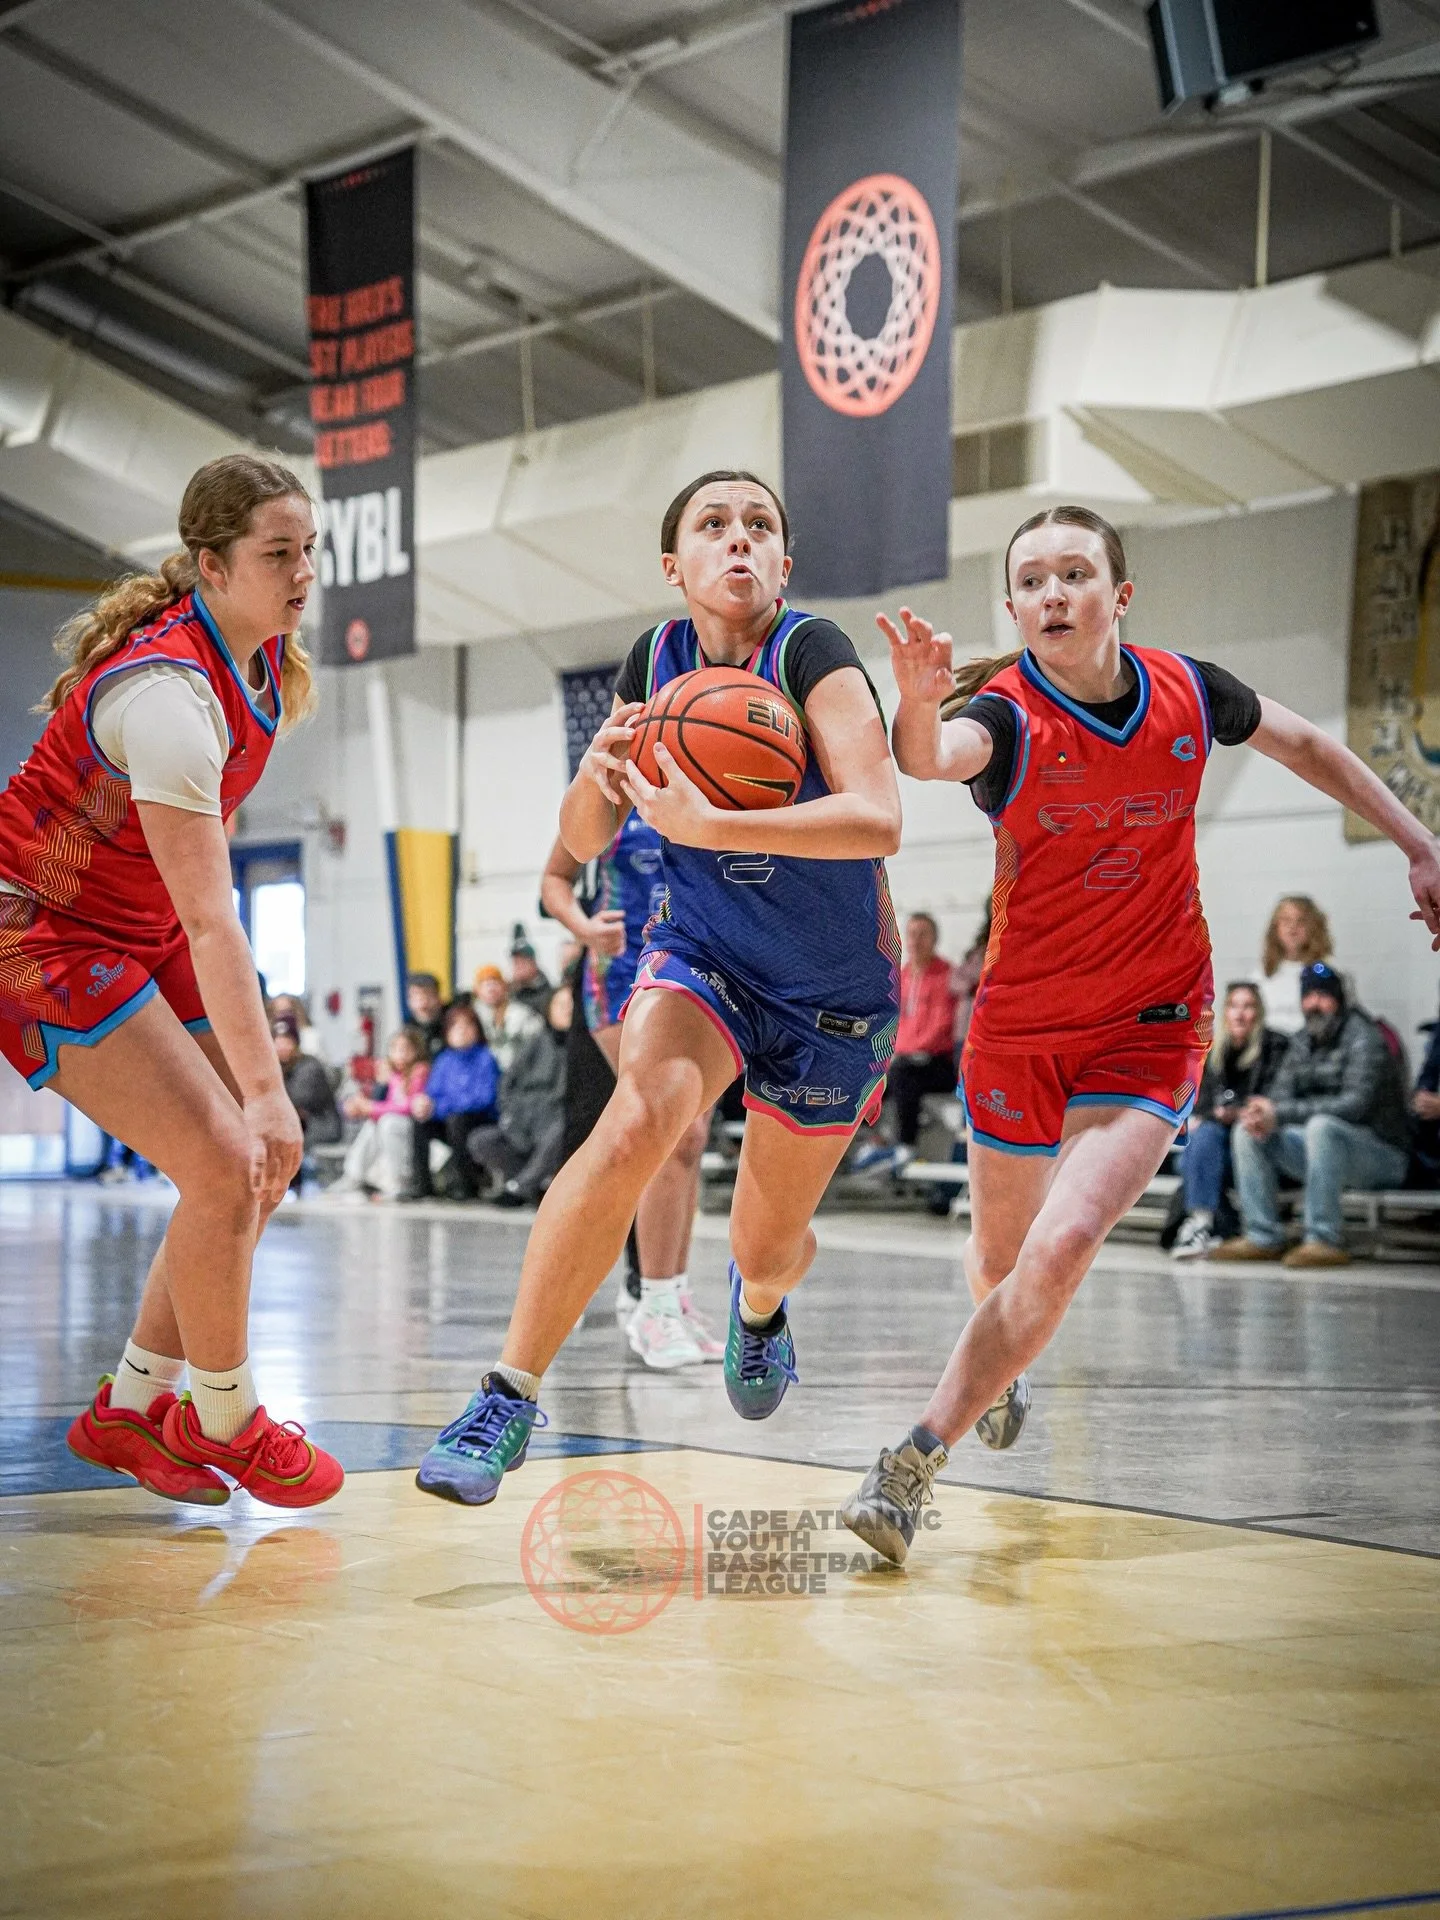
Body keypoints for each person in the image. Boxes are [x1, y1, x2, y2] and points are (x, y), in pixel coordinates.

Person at [837, 502, 1440, 1567]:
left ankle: (911, 1460)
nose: (1052, 594)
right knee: (1001, 1261)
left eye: (1074, 574)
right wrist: (918, 708)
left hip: (1152, 1022)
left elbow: (1310, 746)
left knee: (1064, 1245)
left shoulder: (1190, 692)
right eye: (1032, 581)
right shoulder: (1007, 719)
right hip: (1023, 1024)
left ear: (1118, 596)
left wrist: (1419, 843)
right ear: (1014, 607)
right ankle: (1000, 1365)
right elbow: (932, 758)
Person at [416, 466, 903, 1503]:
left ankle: (758, 1306)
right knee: (638, 1120)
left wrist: (712, 823)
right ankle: (507, 1394)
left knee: (769, 1246)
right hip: (704, 954)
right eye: (713, 525)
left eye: (759, 524)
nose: (739, 538)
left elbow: (880, 818)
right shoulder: (653, 661)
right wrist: (597, 773)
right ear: (675, 566)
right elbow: (584, 839)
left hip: (832, 987)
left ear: (784, 563)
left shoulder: (814, 653)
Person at [0, 453, 343, 1507]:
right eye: (277, 554)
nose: (302, 573)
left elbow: (190, 900)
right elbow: (213, 917)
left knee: (246, 1170)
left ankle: (131, 1408)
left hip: (136, 926)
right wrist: (268, 1089)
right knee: (233, 1156)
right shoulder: (166, 696)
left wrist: (262, 1094)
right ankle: (226, 1416)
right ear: (211, 565)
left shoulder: (263, 665)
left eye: (309, 551)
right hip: (39, 931)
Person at [540, 814, 718, 1369]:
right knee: (668, 1128)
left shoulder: (722, 782)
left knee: (692, 1138)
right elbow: (554, 877)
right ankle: (652, 1302)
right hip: (622, 972)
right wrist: (584, 928)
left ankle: (673, 1298)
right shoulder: (612, 790)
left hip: (700, 968)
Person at [1218, 962, 1411, 1267]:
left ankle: (1322, 1238)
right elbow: (1279, 1096)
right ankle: (1262, 1235)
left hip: (1382, 1153)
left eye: (1323, 996)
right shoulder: (1301, 1041)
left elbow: (1355, 1106)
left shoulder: (1366, 1037)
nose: (1314, 1004)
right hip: (1322, 1148)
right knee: (1249, 1129)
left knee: (1322, 1127)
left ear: (1339, 1000)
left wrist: (1279, 1112)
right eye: (1308, 996)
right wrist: (1263, 1113)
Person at [1169, 981, 1287, 1258]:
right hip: (1218, 1141)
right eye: (1234, 1006)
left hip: (1257, 1139)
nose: (1240, 1014)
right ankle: (1205, 1224)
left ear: (1259, 1013)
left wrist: (1238, 1112)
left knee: (1194, 1156)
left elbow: (1276, 1099)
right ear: (1225, 1012)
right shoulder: (1213, 1050)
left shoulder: (1275, 1047)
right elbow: (1202, 1103)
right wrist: (1218, 1114)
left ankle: (1211, 1226)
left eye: (1248, 1007)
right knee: (1199, 1142)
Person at [858, 911, 959, 1171]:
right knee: (870, 1075)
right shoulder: (899, 976)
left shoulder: (947, 976)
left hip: (937, 1063)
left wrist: (903, 1051)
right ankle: (870, 1138)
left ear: (935, 939)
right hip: (903, 1061)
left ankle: (906, 1144)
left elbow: (942, 1025)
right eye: (912, 934)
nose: (916, 940)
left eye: (923, 934)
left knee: (901, 1073)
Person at [468, 990, 568, 1208]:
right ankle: (533, 1183)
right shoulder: (535, 1042)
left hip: (555, 1120)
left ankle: (520, 1187)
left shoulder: (583, 1047)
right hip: (522, 1118)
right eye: (560, 1005)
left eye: (571, 1005)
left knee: (559, 1133)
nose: (566, 1010)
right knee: (480, 1140)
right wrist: (510, 1112)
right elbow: (508, 1081)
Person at [412, 1001, 500, 1200]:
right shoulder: (444, 1060)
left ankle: (466, 1183)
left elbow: (484, 1098)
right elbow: (433, 1093)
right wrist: (425, 1105)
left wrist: (442, 1107)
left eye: (467, 1025)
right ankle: (423, 1184)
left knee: (457, 1121)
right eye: (455, 1026)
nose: (461, 1031)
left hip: (478, 1119)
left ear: (477, 1030)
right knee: (421, 1122)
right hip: (449, 1118)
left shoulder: (485, 1058)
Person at [336, 1025, 430, 1200]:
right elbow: (388, 1104)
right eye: (395, 1049)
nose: (400, 1054)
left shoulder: (420, 1071)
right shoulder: (394, 1076)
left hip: (413, 1125)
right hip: (393, 1121)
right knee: (373, 1125)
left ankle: (400, 1181)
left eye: (405, 1049)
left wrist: (372, 1107)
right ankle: (353, 1175)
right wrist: (363, 1106)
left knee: (388, 1123)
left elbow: (409, 1106)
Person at [1258, 895, 1333, 1036]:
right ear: (1275, 928)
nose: (1292, 927)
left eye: (1301, 921)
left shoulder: (1327, 976)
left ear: (1314, 927)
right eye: (1286, 920)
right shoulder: (1259, 977)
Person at [273, 1012, 340, 1159]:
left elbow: (295, 1102)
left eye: (287, 1041)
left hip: (320, 1127)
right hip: (298, 1128)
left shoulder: (310, 1066)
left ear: (296, 1043)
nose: (282, 1046)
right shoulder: (278, 1066)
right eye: (278, 1041)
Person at [473, 965, 543, 1071]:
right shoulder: (471, 1016)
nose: (491, 989)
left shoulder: (522, 1013)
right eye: (485, 985)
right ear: (477, 991)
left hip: (518, 1071)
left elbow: (538, 1041)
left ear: (504, 986)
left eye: (495, 983)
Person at [507, 932, 553, 1021]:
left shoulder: (547, 993)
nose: (518, 967)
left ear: (533, 963)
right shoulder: (509, 992)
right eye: (515, 963)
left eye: (523, 962)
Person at [404, 971, 447, 1058]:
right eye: (416, 996)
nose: (423, 1002)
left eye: (428, 994)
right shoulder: (407, 1031)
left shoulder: (452, 1023)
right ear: (409, 1001)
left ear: (438, 998)